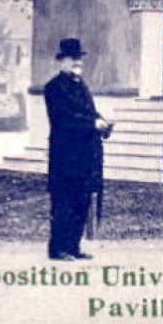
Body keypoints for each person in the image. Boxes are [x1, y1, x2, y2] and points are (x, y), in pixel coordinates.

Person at [44, 38, 111, 261]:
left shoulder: (81, 85)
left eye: (79, 58)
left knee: (81, 201)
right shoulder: (54, 88)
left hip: (84, 156)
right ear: (61, 61)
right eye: (72, 58)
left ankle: (73, 246)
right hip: (65, 156)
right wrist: (92, 124)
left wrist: (102, 121)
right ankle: (58, 249)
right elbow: (64, 120)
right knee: (64, 202)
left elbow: (90, 113)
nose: (77, 62)